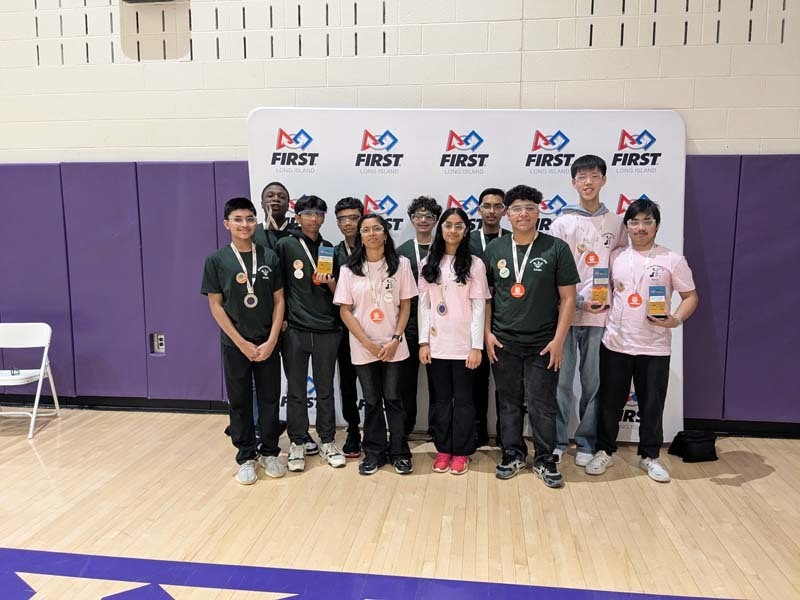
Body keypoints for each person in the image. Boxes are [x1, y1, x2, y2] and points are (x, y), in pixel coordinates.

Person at [585, 199, 698, 483]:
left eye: (647, 221)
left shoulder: (673, 259)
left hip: (655, 346)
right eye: (634, 222)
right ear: (627, 227)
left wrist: (676, 319)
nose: (640, 227)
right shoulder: (616, 256)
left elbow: (690, 296)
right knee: (610, 402)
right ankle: (604, 451)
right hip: (616, 343)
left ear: (657, 226)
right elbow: (603, 289)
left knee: (651, 404)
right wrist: (594, 302)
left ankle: (650, 456)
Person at [484, 185, 579, 488]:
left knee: (542, 403)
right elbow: (486, 297)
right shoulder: (495, 249)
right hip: (504, 341)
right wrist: (486, 333)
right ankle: (512, 454)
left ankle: (544, 458)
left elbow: (568, 298)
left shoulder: (556, 248)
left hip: (544, 342)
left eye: (529, 208)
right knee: (508, 402)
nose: (523, 214)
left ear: (539, 212)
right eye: (516, 209)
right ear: (507, 214)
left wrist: (559, 340)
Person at [549, 155, 627, 467]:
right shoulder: (561, 223)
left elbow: (621, 268)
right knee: (561, 383)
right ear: (573, 183)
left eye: (594, 176)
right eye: (582, 177)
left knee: (593, 383)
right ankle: (556, 441)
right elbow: (552, 273)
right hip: (565, 315)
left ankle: (585, 441)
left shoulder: (617, 223)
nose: (588, 182)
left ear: (604, 180)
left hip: (600, 316)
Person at [201, 197, 286, 485]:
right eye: (237, 219)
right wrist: (240, 342)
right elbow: (215, 306)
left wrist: (273, 339)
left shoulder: (269, 257)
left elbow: (279, 300)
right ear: (227, 224)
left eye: (249, 219)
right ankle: (246, 457)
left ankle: (270, 451)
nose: (244, 224)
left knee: (269, 399)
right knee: (239, 401)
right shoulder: (216, 260)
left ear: (256, 222)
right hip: (235, 344)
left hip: (267, 343)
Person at [334, 213, 417, 475]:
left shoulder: (401, 264)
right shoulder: (349, 269)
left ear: (385, 233)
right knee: (371, 401)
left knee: (393, 399)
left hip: (394, 345)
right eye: (366, 230)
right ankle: (374, 451)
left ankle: (400, 451)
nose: (371, 234)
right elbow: (345, 311)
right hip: (363, 347)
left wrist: (396, 338)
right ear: (360, 236)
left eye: (376, 229)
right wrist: (367, 343)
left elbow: (406, 305)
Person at [418, 208, 491, 475]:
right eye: (448, 225)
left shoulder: (475, 264)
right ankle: (443, 448)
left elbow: (479, 306)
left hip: (464, 347)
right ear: (441, 228)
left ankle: (461, 451)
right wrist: (423, 342)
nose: (452, 230)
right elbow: (424, 306)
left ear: (465, 230)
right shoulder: (428, 262)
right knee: (439, 400)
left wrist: (476, 346)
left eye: (459, 226)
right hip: (436, 345)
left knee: (463, 401)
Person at [276, 194, 345, 472]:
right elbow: (277, 290)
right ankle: (297, 441)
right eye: (308, 213)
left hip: (327, 329)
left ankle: (327, 440)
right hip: (295, 329)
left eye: (319, 214)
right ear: (298, 215)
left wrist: (329, 284)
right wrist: (280, 322)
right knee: (295, 391)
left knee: (326, 389)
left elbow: (339, 292)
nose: (314, 219)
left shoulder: (329, 248)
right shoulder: (285, 245)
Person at [468, 187, 511, 448]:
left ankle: (507, 436)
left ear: (504, 210)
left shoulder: (514, 239)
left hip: (504, 320)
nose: (492, 211)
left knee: (506, 385)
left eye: (497, 206)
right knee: (475, 381)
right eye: (487, 206)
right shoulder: (468, 239)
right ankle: (477, 433)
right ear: (479, 209)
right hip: (472, 321)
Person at [396, 196, 442, 436]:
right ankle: (404, 429)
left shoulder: (444, 249)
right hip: (409, 325)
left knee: (438, 383)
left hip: (438, 326)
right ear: (411, 219)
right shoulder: (401, 251)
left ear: (435, 221)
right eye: (418, 216)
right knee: (406, 382)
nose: (423, 220)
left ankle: (437, 430)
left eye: (429, 216)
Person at [333, 197, 364, 457]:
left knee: (379, 386)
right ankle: (353, 431)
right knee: (348, 385)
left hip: (377, 331)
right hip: (344, 331)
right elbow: (335, 295)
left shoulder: (377, 246)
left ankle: (379, 431)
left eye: (353, 217)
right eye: (343, 219)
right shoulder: (332, 252)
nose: (348, 223)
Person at [254, 181, 295, 249]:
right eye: (270, 196)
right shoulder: (252, 232)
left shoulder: (297, 233)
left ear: (288, 206)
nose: (276, 199)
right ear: (262, 204)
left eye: (282, 197)